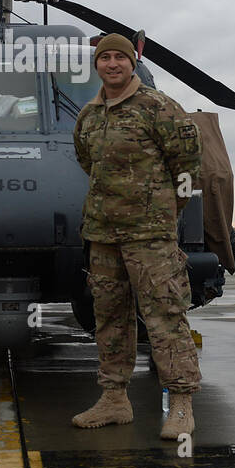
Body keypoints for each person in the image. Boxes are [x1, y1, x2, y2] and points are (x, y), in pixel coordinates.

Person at [71, 33, 203, 439]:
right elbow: (86, 160)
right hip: (103, 233)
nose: (112, 64)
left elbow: (187, 167)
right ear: (96, 65)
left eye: (120, 58)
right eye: (105, 58)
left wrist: (164, 210)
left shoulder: (158, 107)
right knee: (109, 318)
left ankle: (181, 403)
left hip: (151, 236)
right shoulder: (89, 116)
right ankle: (114, 399)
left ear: (132, 63)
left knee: (165, 316)